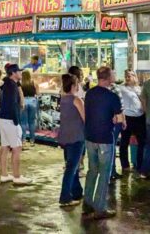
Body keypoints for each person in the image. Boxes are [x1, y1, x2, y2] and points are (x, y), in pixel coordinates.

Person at [82, 67, 124, 219]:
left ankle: (87, 203)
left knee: (92, 170)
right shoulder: (112, 96)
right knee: (104, 173)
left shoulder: (89, 94)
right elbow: (119, 118)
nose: (115, 75)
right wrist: (114, 119)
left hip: (90, 136)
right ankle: (100, 207)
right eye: (113, 73)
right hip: (105, 137)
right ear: (108, 77)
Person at [0, 64, 32, 185]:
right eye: (19, 71)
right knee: (17, 148)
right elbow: (12, 104)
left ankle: (4, 174)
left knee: (5, 147)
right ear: (13, 73)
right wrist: (16, 121)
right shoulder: (11, 86)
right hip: (10, 120)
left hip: (2, 118)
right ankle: (17, 176)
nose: (21, 73)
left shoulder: (6, 84)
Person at [58, 74, 85, 207]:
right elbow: (85, 118)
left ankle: (77, 192)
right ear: (74, 86)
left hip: (65, 137)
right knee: (71, 168)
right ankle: (65, 197)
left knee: (71, 166)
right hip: (76, 136)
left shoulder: (63, 99)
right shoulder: (77, 100)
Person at [119, 69, 146, 173]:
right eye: (126, 76)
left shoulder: (139, 88)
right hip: (128, 117)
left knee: (141, 142)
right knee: (124, 142)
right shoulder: (122, 88)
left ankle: (140, 164)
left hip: (140, 117)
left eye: (130, 75)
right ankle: (125, 165)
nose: (128, 77)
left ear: (135, 76)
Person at [20, 70, 39, 146]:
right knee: (32, 122)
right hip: (32, 102)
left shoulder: (20, 84)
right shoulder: (34, 83)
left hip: (23, 101)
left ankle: (23, 140)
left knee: (23, 122)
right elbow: (38, 93)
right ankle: (32, 140)